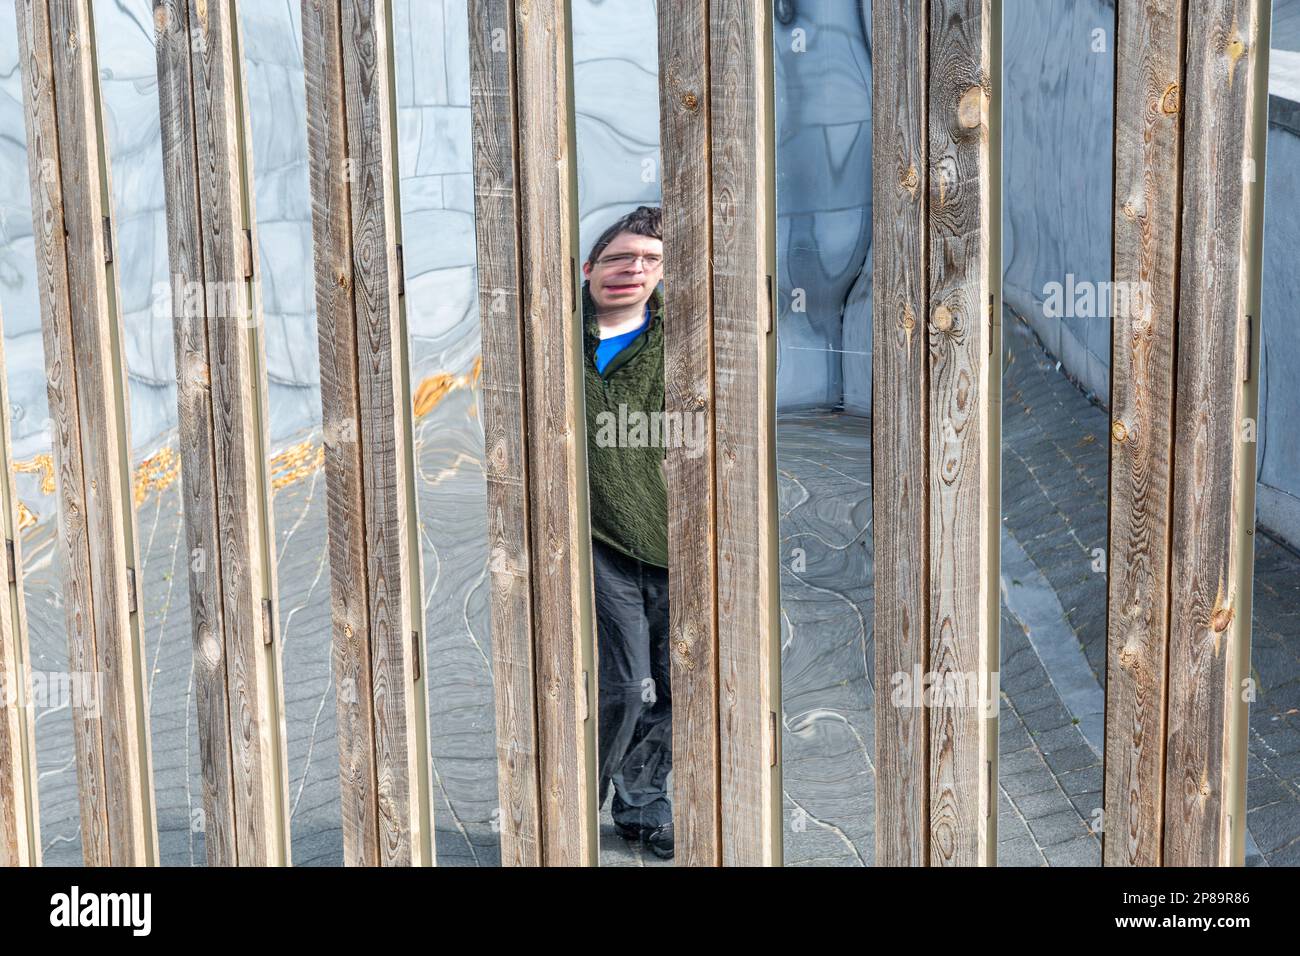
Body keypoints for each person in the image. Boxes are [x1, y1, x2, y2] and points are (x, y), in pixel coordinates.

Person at [582, 205, 673, 859]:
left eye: (649, 261)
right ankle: (571, 793)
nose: (632, 270)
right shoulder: (554, 337)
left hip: (679, 539)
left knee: (677, 682)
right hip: (599, 538)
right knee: (622, 681)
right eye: (619, 257)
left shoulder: (681, 338)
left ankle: (641, 804)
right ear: (591, 266)